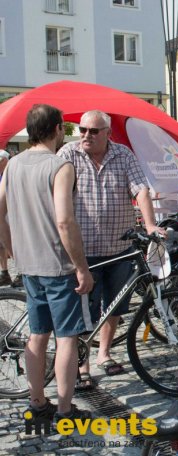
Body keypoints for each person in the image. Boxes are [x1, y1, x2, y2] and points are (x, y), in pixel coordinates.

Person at [58, 110, 165, 390]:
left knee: (115, 305)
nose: (86, 135)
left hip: (120, 247)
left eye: (93, 131)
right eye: (82, 129)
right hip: (84, 250)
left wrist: (151, 225)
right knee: (86, 310)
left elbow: (140, 189)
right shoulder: (68, 154)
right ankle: (81, 364)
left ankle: (103, 353)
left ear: (108, 133)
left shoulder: (123, 155)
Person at [0, 104, 95, 421]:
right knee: (66, 337)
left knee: (37, 335)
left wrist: (11, 246)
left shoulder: (12, 165)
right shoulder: (60, 166)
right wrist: (81, 267)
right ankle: (66, 410)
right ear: (58, 129)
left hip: (28, 266)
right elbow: (65, 222)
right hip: (57, 265)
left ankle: (38, 402)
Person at [0, 150, 11, 286]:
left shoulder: (11, 173)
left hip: (12, 213)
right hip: (3, 213)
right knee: (1, 245)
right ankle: (5, 272)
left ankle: (21, 272)